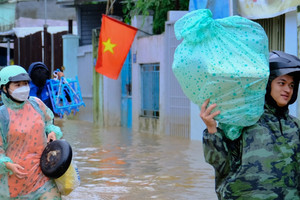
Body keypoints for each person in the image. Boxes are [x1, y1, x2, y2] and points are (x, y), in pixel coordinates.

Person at [200, 51, 300, 199]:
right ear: (267, 84)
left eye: (292, 85)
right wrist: (211, 129)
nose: (288, 90)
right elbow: (221, 164)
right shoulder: (243, 120)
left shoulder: (296, 126)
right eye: (282, 83)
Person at [0, 65, 63, 199]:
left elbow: (49, 123)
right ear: (5, 88)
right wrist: (8, 165)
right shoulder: (2, 116)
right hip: (14, 180)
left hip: (42, 174)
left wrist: (52, 133)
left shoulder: (36, 104)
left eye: (25, 84)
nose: (23, 88)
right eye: (17, 85)